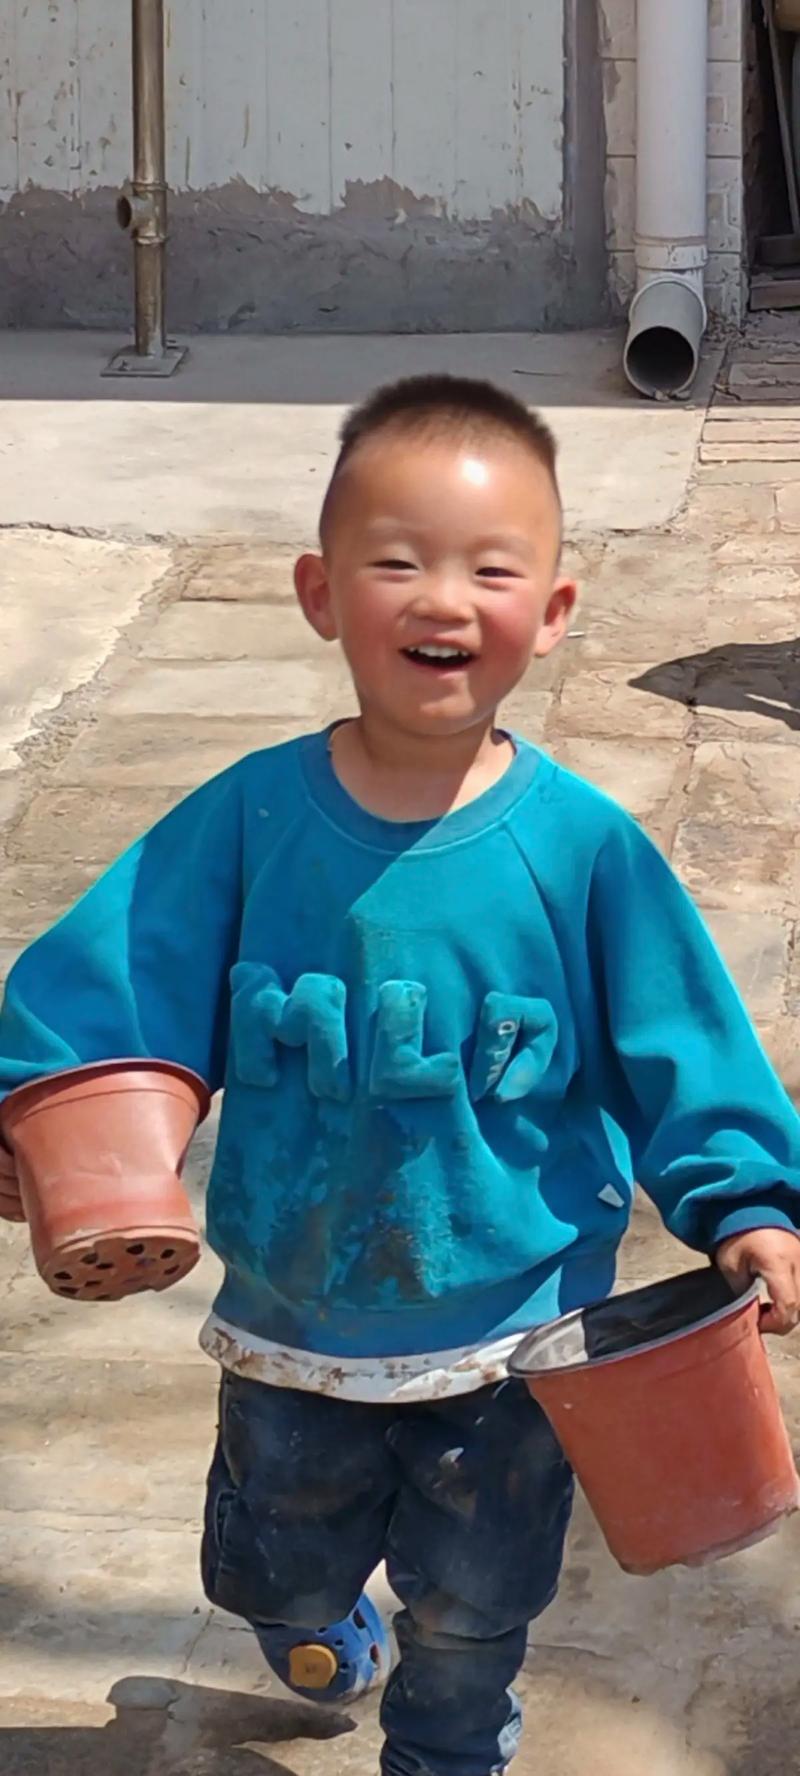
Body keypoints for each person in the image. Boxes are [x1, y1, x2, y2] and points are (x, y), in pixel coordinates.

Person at [2, 374, 800, 1776]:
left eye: (491, 569)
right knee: (272, 1574)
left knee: (476, 1615)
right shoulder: (248, 819)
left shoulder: (584, 852)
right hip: (292, 1318)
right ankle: (313, 1622)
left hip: (513, 1340)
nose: (444, 599)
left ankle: (446, 1753)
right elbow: (106, 989)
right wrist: (47, 1123)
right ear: (321, 594)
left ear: (552, 612)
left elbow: (683, 1038)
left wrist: (747, 1198)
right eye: (397, 562)